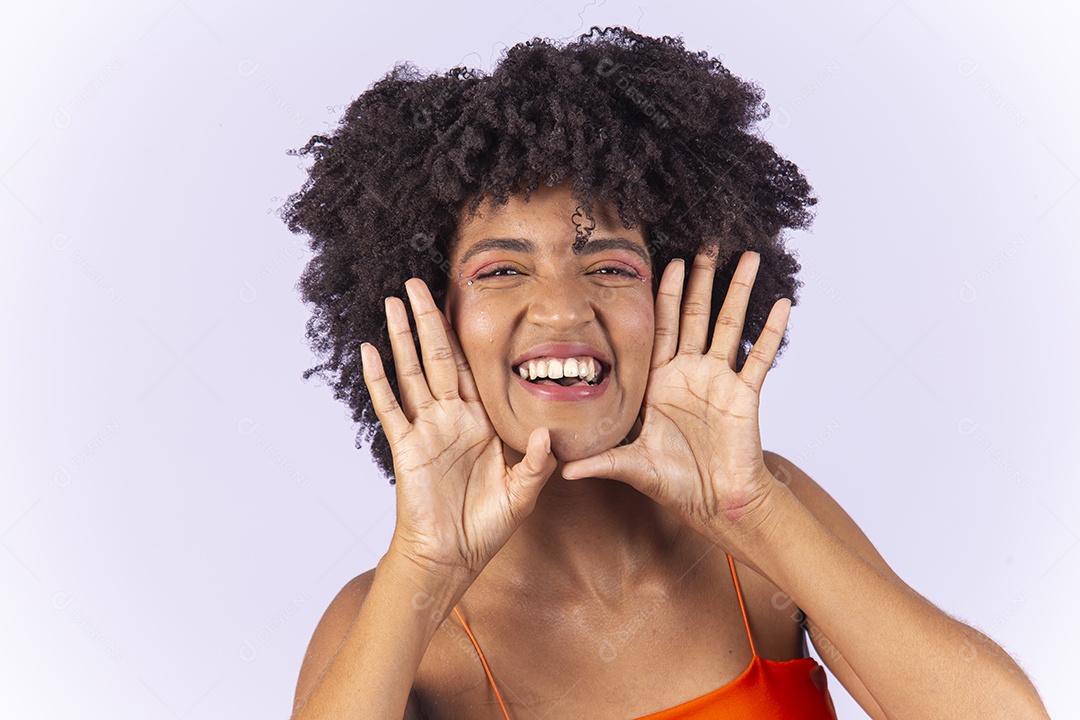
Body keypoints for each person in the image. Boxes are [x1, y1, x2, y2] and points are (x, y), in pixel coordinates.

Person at [281, 26, 1049, 719]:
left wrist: (756, 516)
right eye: (502, 270)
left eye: (611, 267)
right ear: (428, 316)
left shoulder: (760, 527)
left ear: (676, 298)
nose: (562, 310)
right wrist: (425, 567)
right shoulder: (394, 620)